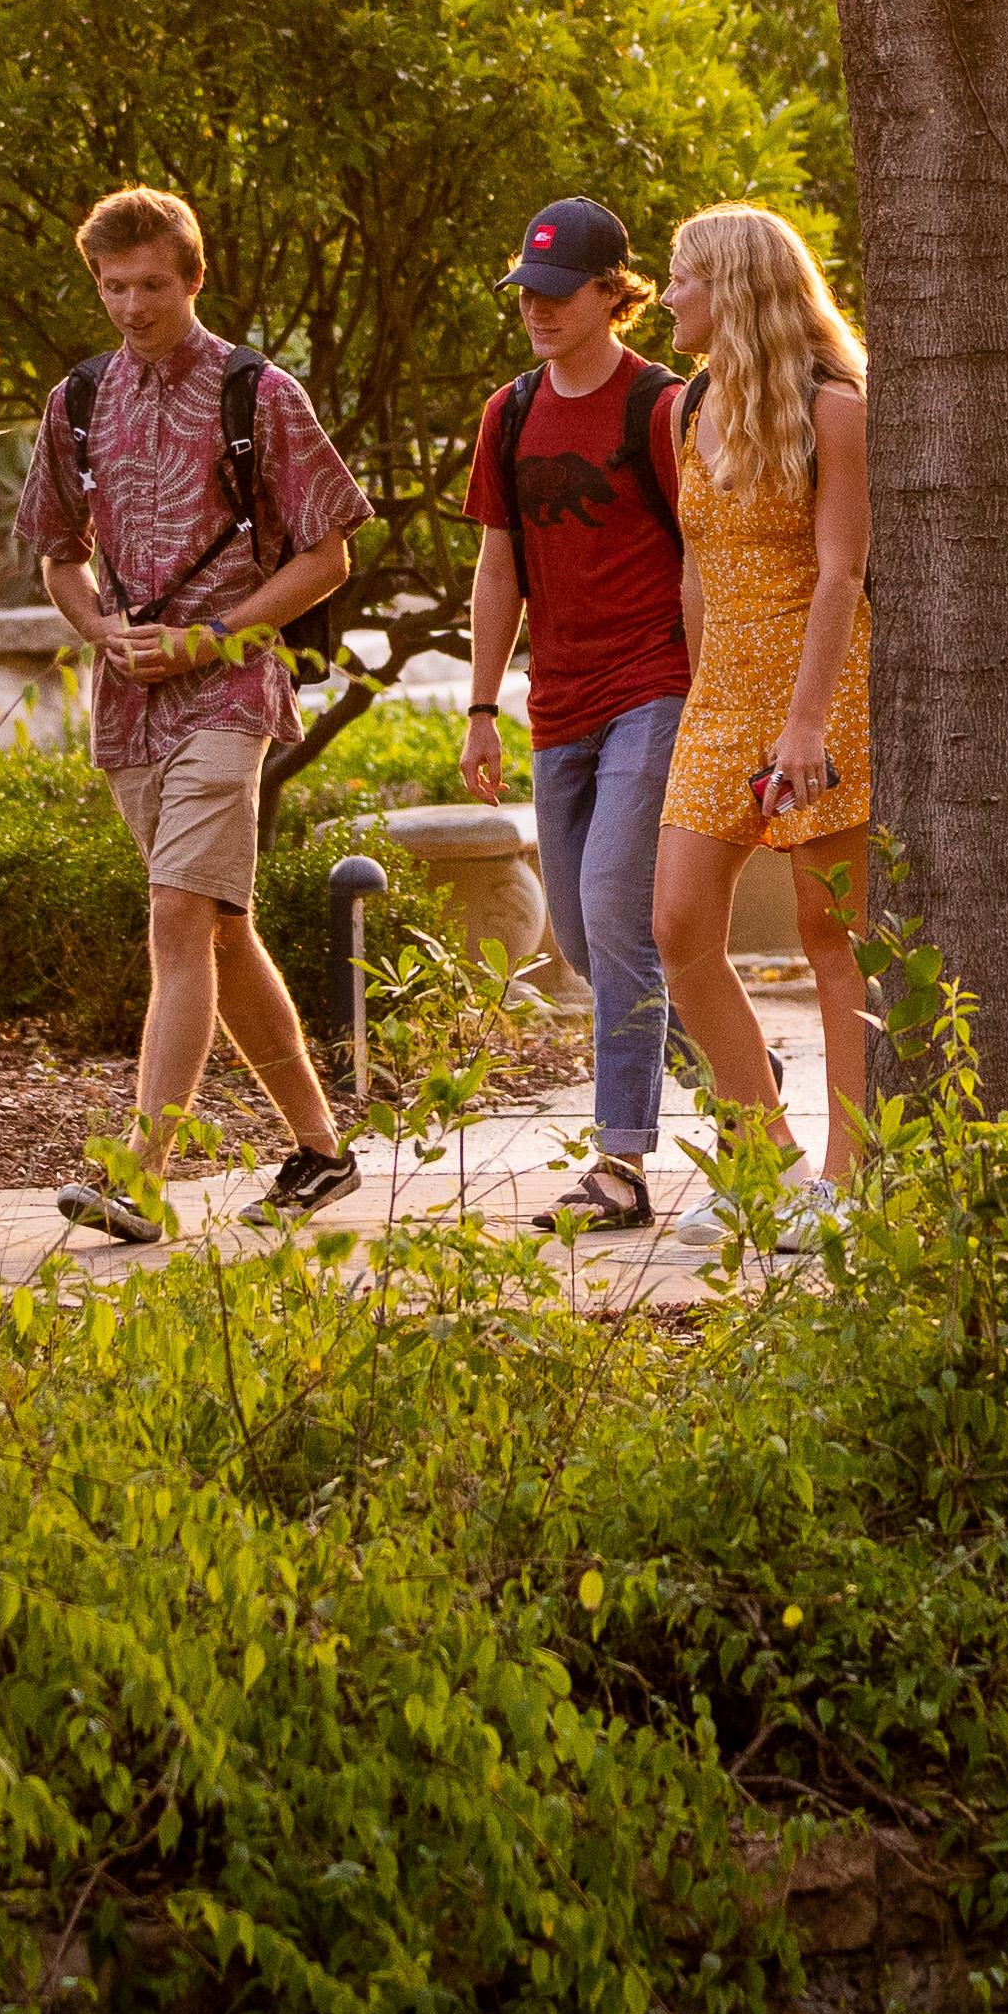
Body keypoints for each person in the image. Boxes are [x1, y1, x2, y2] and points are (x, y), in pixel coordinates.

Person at [26, 181, 368, 1243]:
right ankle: (320, 1149)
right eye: (115, 286)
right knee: (220, 930)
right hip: (130, 704)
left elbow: (329, 552)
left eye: (153, 285)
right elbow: (57, 551)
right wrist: (98, 629)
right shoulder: (78, 398)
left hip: (230, 687)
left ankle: (139, 1172)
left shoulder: (259, 394)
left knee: (177, 917)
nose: (132, 305)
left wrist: (216, 637)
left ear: (194, 278)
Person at [461, 193, 693, 1234]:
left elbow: (707, 553)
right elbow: (498, 565)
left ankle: (621, 1164)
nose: (539, 311)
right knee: (588, 940)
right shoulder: (509, 413)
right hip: (557, 703)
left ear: (614, 294)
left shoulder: (663, 406)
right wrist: (479, 706)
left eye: (560, 294)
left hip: (655, 685)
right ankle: (745, 1071)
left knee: (612, 908)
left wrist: (724, 688)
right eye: (528, 294)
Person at [645, 201, 877, 1208]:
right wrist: (705, 694)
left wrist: (806, 722)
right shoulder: (686, 406)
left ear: (733, 288)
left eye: (683, 277)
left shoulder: (836, 406)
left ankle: (850, 1174)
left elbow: (841, 573)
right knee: (678, 925)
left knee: (835, 938)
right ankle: (767, 1163)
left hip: (820, 691)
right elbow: (695, 566)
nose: (667, 298)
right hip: (723, 693)